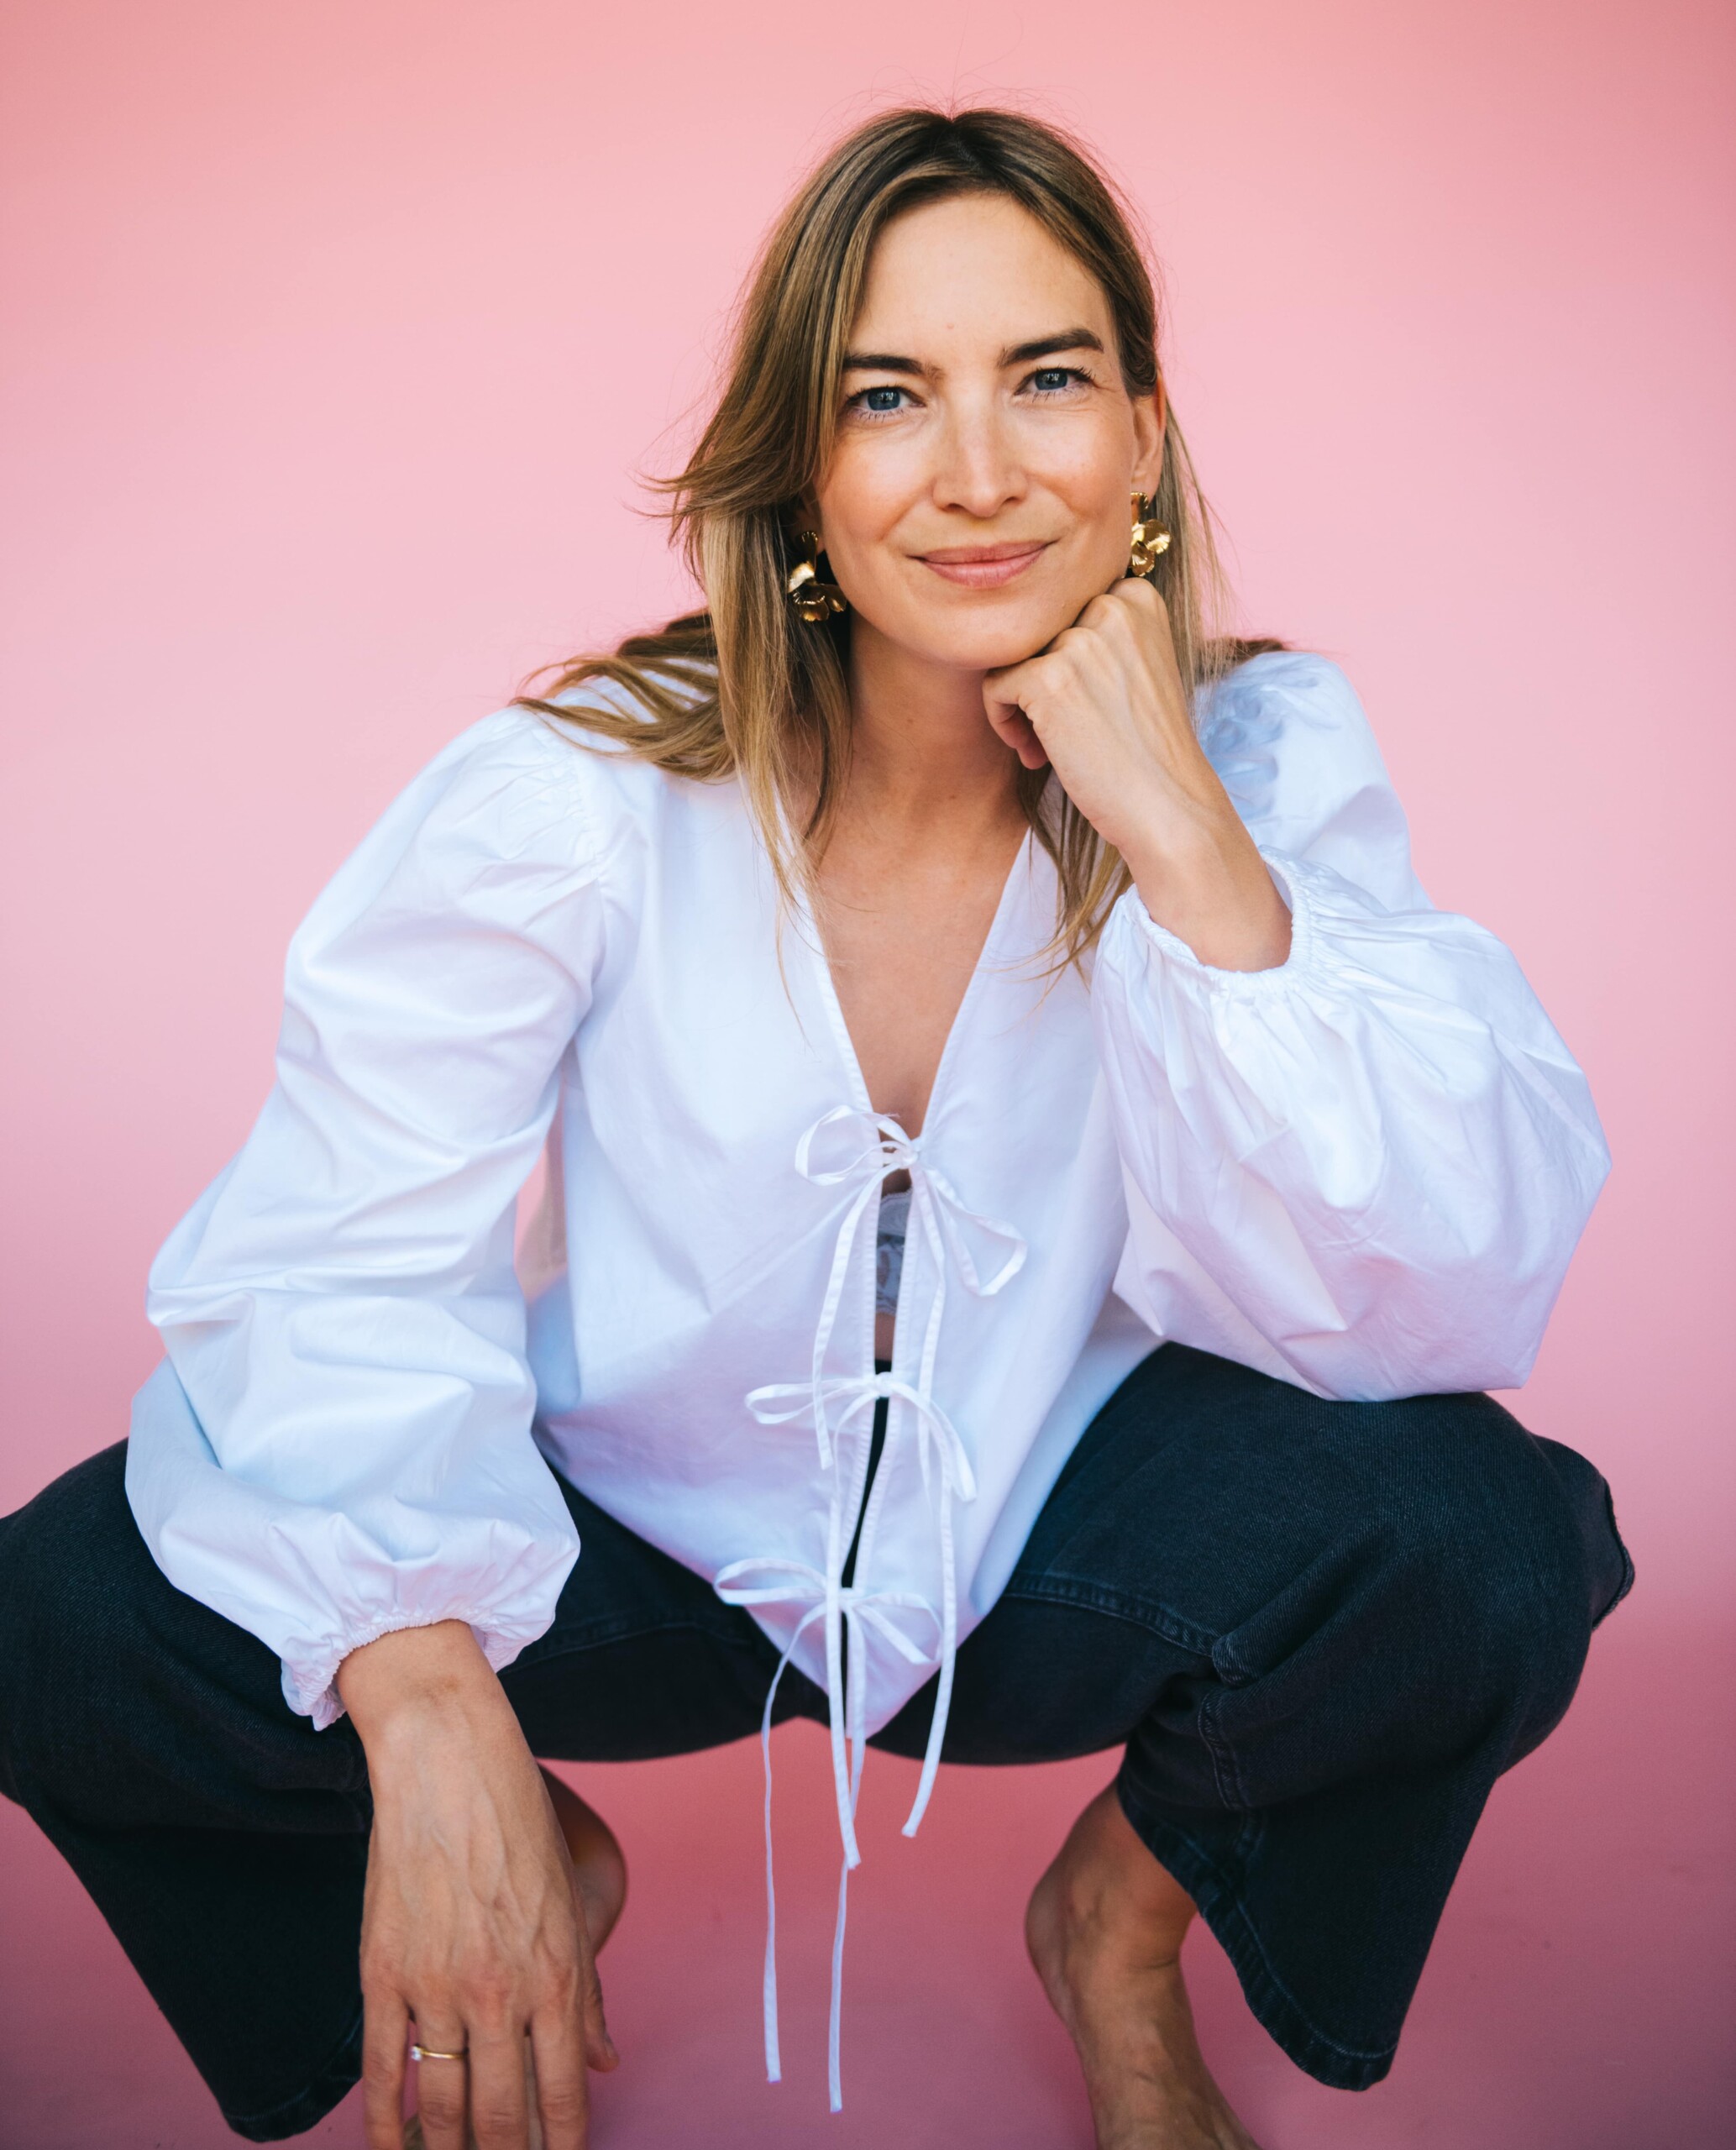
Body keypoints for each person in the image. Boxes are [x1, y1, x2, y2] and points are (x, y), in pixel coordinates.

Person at [0, 107, 1631, 2150]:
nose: (973, 471)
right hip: (637, 1529)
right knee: (62, 1612)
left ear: (1139, 427)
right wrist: (429, 1711)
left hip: (1047, 1535)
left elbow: (1448, 1289)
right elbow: (332, 1243)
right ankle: (537, 1886)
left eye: (1043, 378)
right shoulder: (578, 795)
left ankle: (1118, 1931)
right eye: (886, 396)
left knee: (1483, 1538)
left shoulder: (1263, 761)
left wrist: (1181, 829)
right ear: (800, 468)